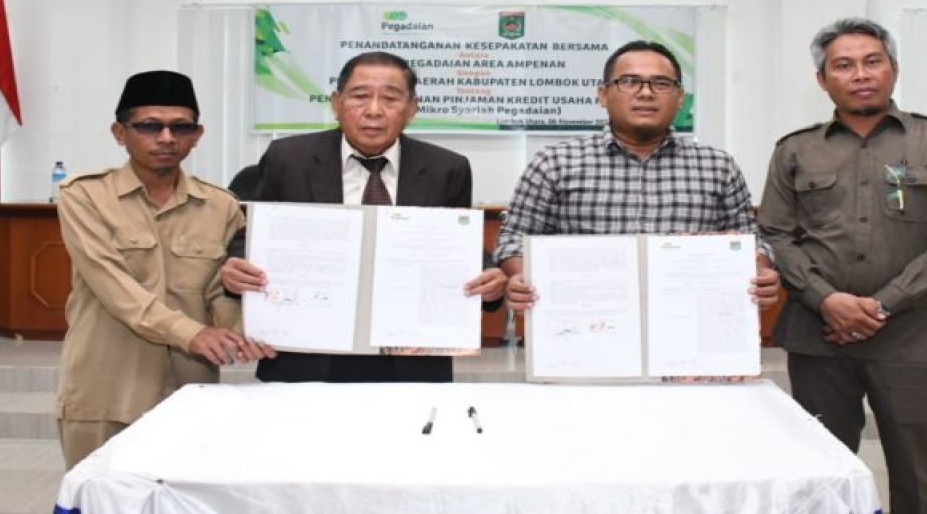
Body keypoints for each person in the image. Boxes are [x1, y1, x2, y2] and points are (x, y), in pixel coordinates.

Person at [757, 17, 927, 513]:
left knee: (919, 471)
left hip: (912, 336)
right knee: (821, 471)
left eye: (872, 61)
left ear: (894, 70)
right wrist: (827, 301)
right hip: (818, 337)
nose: (860, 73)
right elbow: (775, 234)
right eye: (843, 65)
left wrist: (880, 307)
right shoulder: (795, 149)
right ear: (823, 80)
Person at [221, 51, 506, 382]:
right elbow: (253, 236)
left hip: (409, 355)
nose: (373, 110)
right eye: (359, 96)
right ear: (336, 103)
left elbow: (455, 245)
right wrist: (236, 265)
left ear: (412, 108)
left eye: (390, 98)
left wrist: (488, 277)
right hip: (308, 349)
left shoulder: (447, 168)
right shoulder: (289, 158)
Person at [55, 70, 273, 469]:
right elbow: (114, 287)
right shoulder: (84, 195)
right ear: (120, 133)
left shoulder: (221, 204)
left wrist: (251, 331)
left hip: (189, 391)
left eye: (180, 127)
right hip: (105, 388)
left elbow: (219, 293)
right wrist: (194, 334)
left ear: (197, 134)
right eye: (149, 126)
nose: (167, 138)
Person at [498, 39, 780, 313]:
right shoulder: (554, 164)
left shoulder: (718, 167)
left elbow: (750, 241)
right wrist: (520, 277)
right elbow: (514, 241)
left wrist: (760, 269)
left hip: (687, 331)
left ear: (680, 97)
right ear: (603, 94)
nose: (646, 93)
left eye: (661, 83)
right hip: (585, 333)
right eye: (629, 81)